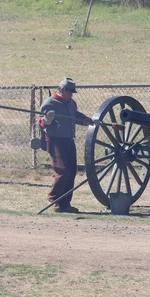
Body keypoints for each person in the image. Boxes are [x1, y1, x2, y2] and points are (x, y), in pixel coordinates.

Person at [38, 77, 93, 213]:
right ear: (62, 90)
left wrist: (88, 121)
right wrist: (47, 120)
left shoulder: (71, 103)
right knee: (62, 171)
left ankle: (65, 204)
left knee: (71, 171)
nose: (71, 94)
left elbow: (75, 116)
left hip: (68, 140)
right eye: (69, 91)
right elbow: (41, 122)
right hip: (55, 140)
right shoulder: (50, 103)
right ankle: (55, 200)